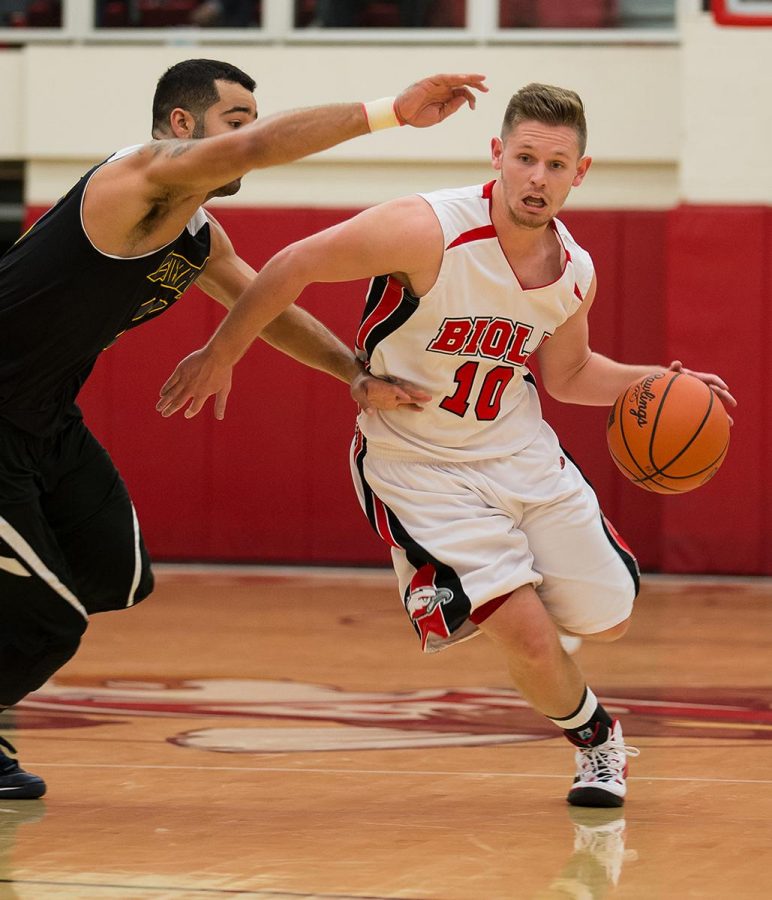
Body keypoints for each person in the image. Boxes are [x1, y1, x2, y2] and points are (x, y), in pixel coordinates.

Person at [156, 82, 736, 807]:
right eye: (525, 158)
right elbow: (293, 262)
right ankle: (597, 742)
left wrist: (663, 380)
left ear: (580, 173)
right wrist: (222, 351)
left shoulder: (575, 270)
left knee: (609, 619)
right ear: (498, 154)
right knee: (523, 633)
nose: (537, 178)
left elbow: (571, 374)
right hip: (418, 462)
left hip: (521, 453)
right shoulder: (425, 229)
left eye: (556, 166)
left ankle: (488, 592)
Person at [0, 58, 487, 799]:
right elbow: (260, 152)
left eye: (255, 121)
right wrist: (390, 110)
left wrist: (352, 375)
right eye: (238, 121)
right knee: (49, 622)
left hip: (45, 421)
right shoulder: (138, 178)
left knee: (114, 573)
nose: (252, 137)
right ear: (184, 126)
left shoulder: (195, 233)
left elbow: (269, 305)